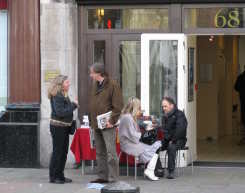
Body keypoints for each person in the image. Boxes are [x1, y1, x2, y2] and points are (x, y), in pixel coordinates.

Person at [89, 62, 123, 183]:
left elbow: (118, 106)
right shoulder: (95, 84)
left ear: (99, 73)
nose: (90, 75)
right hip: (96, 123)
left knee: (111, 152)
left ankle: (113, 178)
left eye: (92, 73)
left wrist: (112, 120)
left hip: (108, 124)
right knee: (99, 151)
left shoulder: (113, 85)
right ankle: (102, 176)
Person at [118, 97, 162, 181]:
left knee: (156, 144)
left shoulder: (128, 116)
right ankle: (150, 170)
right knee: (156, 144)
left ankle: (150, 170)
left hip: (131, 141)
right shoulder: (127, 117)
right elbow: (132, 134)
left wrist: (145, 130)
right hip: (129, 144)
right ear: (135, 108)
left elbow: (133, 132)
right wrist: (143, 134)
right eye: (139, 107)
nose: (140, 110)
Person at [48, 75, 78, 184]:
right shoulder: (57, 95)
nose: (68, 84)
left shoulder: (64, 95)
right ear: (60, 85)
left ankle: (60, 175)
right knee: (58, 152)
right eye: (66, 82)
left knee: (63, 152)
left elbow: (64, 110)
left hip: (64, 127)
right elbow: (60, 112)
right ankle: (54, 176)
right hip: (58, 128)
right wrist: (74, 105)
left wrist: (72, 105)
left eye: (68, 82)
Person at [160, 97, 187, 179]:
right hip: (167, 138)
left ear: (172, 105)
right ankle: (158, 169)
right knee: (155, 146)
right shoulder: (165, 116)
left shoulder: (180, 114)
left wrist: (173, 139)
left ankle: (171, 171)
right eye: (163, 106)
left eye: (165, 106)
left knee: (171, 147)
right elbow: (164, 129)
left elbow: (181, 129)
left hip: (179, 139)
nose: (164, 108)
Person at [234, 70, 245, 145]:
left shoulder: (240, 77)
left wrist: (241, 91)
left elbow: (235, 88)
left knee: (244, 118)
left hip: (243, 101)